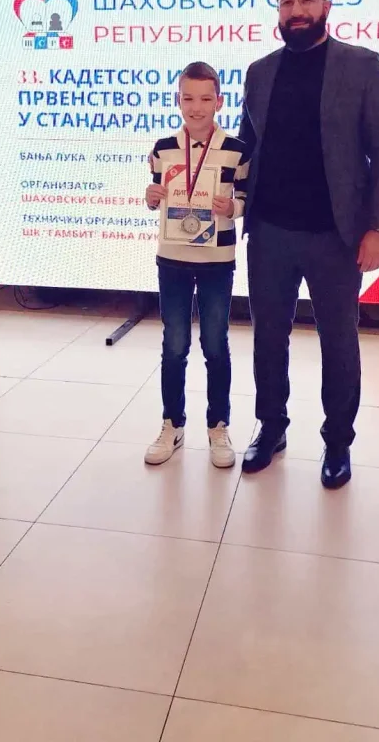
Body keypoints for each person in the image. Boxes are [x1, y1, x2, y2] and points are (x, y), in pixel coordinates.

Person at [238, 0, 379, 489]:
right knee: (268, 338)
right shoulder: (259, 72)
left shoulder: (361, 65)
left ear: (327, 7)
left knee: (339, 341)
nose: (297, 11)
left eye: (307, 0)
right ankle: (271, 427)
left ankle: (337, 442)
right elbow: (246, 148)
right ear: (278, 10)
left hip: (336, 236)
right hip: (269, 232)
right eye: (287, 2)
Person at [145, 61, 251, 468]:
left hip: (217, 260)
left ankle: (218, 426)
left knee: (215, 344)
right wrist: (151, 197)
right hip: (172, 257)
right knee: (174, 345)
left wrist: (233, 208)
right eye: (188, 98)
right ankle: (172, 424)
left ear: (219, 102)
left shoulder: (237, 149)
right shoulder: (162, 148)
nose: (197, 107)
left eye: (206, 99)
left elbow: (246, 199)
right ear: (178, 100)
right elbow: (157, 196)